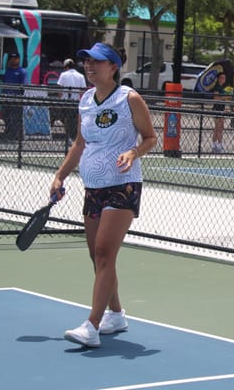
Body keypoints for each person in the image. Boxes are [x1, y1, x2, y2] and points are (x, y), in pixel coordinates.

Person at [51, 42, 157, 348]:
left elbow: (151, 137)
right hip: (93, 187)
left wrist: (133, 152)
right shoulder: (85, 99)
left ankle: (92, 326)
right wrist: (59, 175)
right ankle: (115, 314)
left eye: (96, 62)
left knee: (104, 253)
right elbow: (79, 145)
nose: (89, 66)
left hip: (122, 186)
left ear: (112, 67)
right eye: (86, 61)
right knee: (96, 256)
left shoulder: (129, 98)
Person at [54, 58, 87, 141]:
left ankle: (68, 136)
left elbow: (60, 90)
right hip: (76, 102)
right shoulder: (80, 76)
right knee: (75, 119)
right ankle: (74, 136)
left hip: (65, 101)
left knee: (66, 119)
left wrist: (59, 99)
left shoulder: (63, 75)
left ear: (66, 67)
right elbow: (82, 91)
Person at [2, 53, 27, 139]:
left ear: (19, 59)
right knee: (6, 116)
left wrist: (20, 98)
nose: (13, 60)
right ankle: (8, 132)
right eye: (12, 58)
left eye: (15, 58)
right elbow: (4, 82)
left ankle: (16, 135)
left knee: (15, 118)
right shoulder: (8, 70)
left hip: (16, 98)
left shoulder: (22, 71)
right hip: (6, 97)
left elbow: (23, 86)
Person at [210, 72, 232, 153]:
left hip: (221, 108)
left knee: (220, 127)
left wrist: (227, 97)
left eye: (224, 77)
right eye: (222, 77)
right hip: (217, 108)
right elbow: (215, 98)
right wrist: (225, 96)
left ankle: (215, 144)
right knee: (218, 127)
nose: (224, 79)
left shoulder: (223, 87)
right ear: (218, 78)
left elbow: (223, 98)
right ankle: (218, 144)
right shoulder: (217, 87)